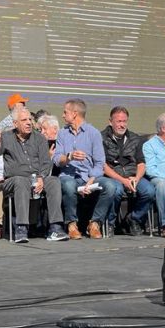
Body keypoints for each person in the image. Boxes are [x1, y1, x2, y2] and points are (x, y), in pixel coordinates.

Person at [1, 106, 68, 243]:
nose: (29, 122)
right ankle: (21, 228)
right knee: (21, 181)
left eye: (30, 119)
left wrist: (41, 177)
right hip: (13, 180)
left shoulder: (39, 138)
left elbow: (45, 162)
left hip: (37, 177)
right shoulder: (5, 137)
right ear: (15, 124)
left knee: (54, 181)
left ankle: (55, 228)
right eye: (24, 120)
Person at [52, 98, 116, 239]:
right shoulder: (63, 133)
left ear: (75, 113)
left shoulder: (93, 133)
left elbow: (100, 163)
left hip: (89, 176)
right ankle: (71, 224)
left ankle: (94, 223)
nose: (63, 115)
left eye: (65, 112)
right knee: (68, 185)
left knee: (110, 186)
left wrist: (91, 180)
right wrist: (69, 157)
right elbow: (56, 159)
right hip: (69, 176)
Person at [100, 106, 154, 236]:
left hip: (132, 176)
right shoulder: (101, 138)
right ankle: (111, 223)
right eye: (118, 121)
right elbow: (103, 165)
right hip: (113, 176)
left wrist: (137, 178)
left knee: (150, 191)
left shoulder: (135, 138)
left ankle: (134, 218)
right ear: (110, 122)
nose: (122, 125)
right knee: (116, 190)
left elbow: (141, 163)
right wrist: (123, 180)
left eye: (124, 121)